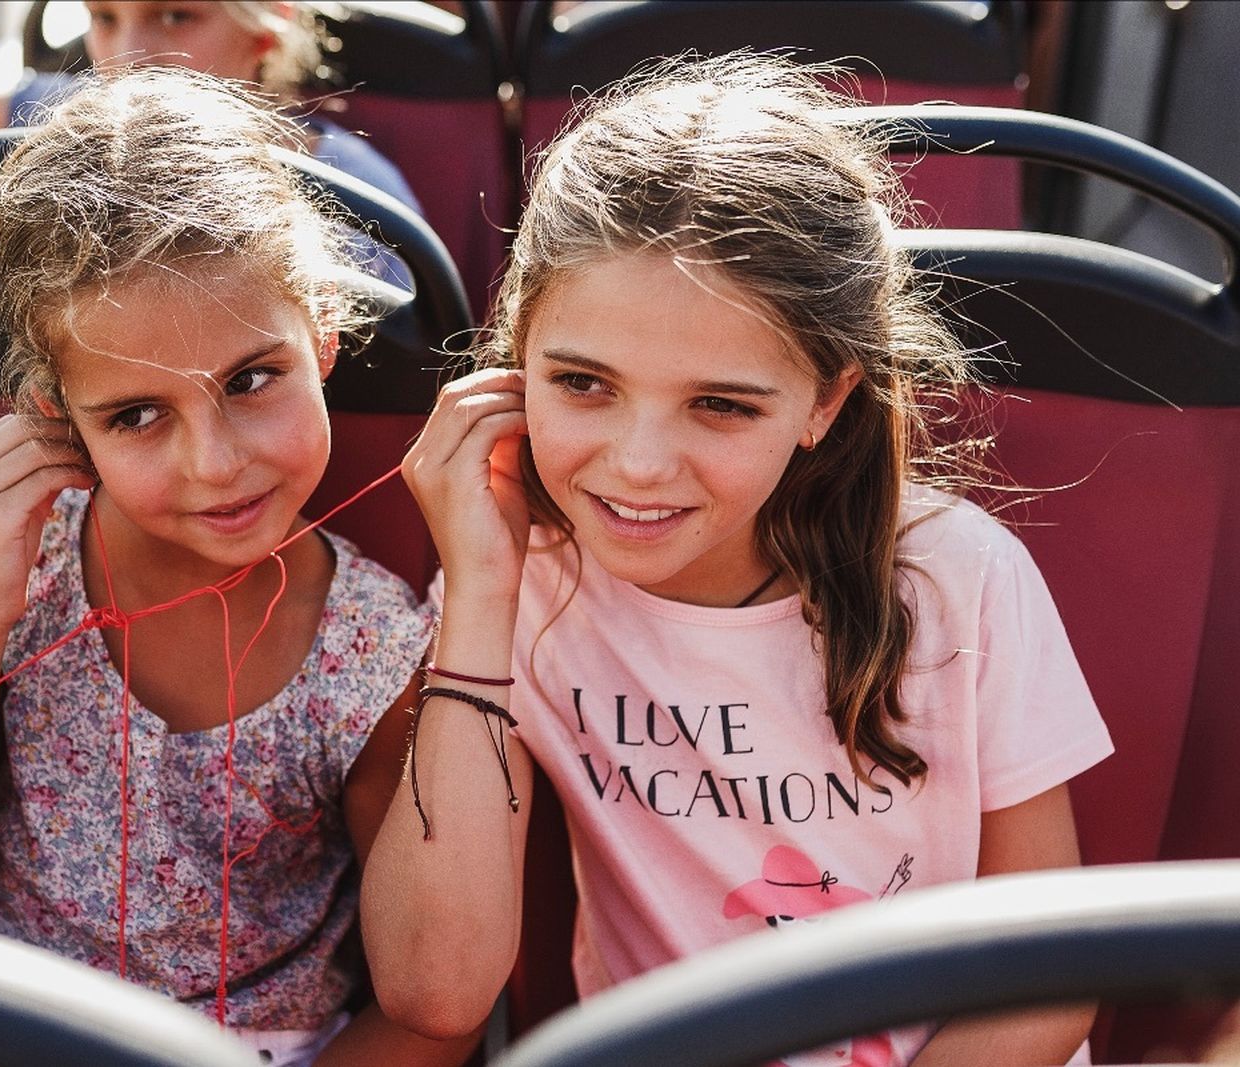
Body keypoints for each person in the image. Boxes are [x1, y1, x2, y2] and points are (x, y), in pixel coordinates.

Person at [363, 53, 1114, 1066]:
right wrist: (481, 595)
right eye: (582, 382)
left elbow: (1048, 979)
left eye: (718, 404)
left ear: (824, 401)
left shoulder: (955, 580)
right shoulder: (520, 582)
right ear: (513, 366)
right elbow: (437, 988)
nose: (636, 463)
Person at [0, 68, 473, 1067]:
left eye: (252, 380)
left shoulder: (378, 650)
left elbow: (428, 1005)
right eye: (135, 415)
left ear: (323, 339)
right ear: (56, 421)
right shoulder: (12, 556)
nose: (214, 462)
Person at [0, 1, 421, 250]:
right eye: (104, 17)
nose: (124, 56)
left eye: (175, 16)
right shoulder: (68, 118)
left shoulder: (345, 185)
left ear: (263, 31)